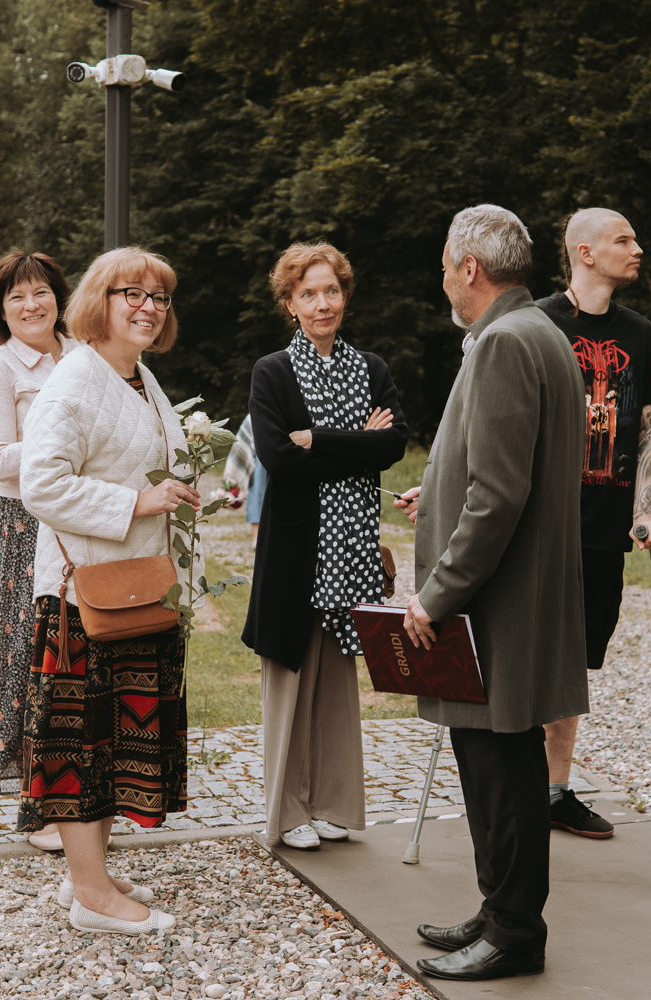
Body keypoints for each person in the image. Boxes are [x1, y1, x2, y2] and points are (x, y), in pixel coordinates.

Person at [396, 205, 587, 982]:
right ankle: (499, 908)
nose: (444, 278)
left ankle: (514, 933)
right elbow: (502, 469)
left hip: (496, 604)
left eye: (446, 265)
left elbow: (498, 495)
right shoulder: (538, 332)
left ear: (469, 268)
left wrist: (436, 596)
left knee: (502, 771)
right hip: (515, 594)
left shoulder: (508, 340)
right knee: (496, 766)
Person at [18, 246, 199, 935]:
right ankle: (93, 898)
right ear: (102, 300)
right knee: (82, 744)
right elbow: (41, 485)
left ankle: (85, 876)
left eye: (160, 297)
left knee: (110, 741)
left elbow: (140, 467)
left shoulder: (139, 377)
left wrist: (181, 492)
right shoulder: (75, 380)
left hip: (135, 586)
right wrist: (138, 503)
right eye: (134, 294)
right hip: (82, 597)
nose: (149, 308)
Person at [241, 241, 409, 851]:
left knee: (336, 686)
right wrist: (355, 441)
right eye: (308, 293)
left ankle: (333, 804)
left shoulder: (371, 368)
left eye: (331, 290)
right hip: (296, 556)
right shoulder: (272, 372)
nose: (322, 304)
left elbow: (395, 443)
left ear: (345, 296)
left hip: (351, 554)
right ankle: (288, 813)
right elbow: (279, 459)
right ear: (290, 303)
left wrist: (319, 438)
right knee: (290, 681)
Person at [535, 208, 651, 839]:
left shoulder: (639, 332)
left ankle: (554, 792)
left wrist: (644, 508)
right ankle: (515, 787)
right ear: (585, 252)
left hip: (603, 527)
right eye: (624, 239)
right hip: (541, 527)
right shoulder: (535, 322)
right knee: (532, 657)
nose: (637, 248)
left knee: (575, 666)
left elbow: (646, 430)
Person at [0, 249, 83, 860]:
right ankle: (38, 810)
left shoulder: (85, 356)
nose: (31, 305)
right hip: (23, 528)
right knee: (27, 664)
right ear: (0, 310)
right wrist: (61, 444)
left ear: (60, 298)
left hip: (83, 521)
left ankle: (81, 800)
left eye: (40, 292)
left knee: (76, 664)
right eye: (16, 297)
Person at [222, 413, 268, 542]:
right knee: (258, 488)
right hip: (261, 457)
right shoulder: (256, 414)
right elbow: (241, 445)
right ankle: (256, 537)